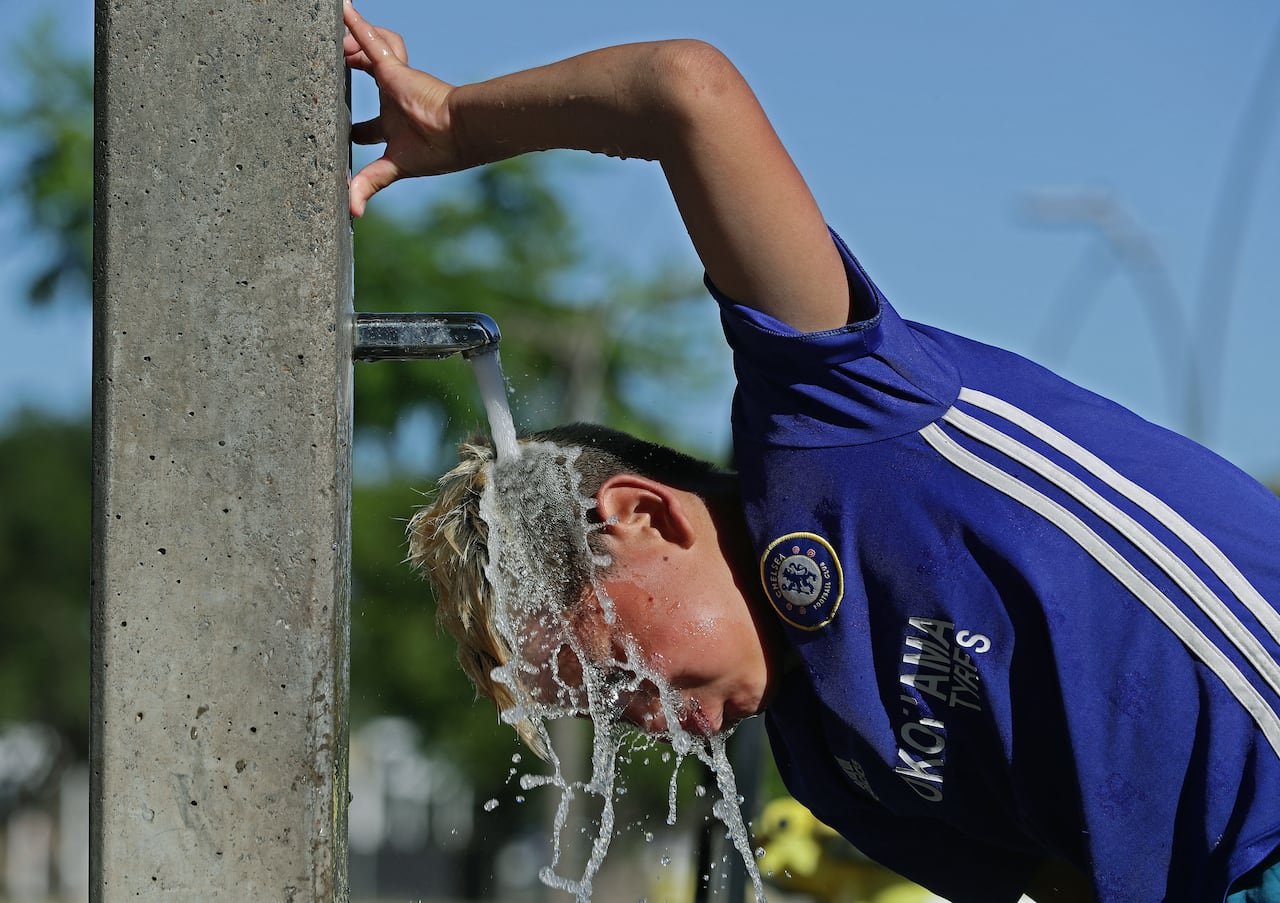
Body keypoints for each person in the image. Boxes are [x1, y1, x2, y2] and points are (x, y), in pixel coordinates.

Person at [342, 5, 1280, 902]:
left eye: (619, 670)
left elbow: (685, 91)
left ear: (643, 516)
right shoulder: (837, 765)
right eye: (610, 710)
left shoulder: (831, 416)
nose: (652, 721)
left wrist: (458, 119)